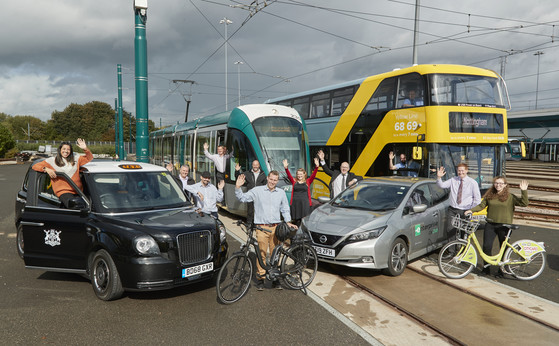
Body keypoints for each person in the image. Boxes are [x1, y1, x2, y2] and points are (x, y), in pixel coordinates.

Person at [235, 171, 296, 291]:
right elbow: (243, 198)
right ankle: (261, 278)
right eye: (271, 179)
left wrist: (288, 221)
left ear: (277, 181)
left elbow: (285, 208)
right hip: (261, 228)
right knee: (261, 254)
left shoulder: (281, 193)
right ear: (267, 178)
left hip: (276, 228)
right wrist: (237, 187)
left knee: (275, 254)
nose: (272, 182)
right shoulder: (258, 191)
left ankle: (275, 277)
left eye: (275, 180)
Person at [465, 177, 529, 276]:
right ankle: (486, 268)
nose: (498, 185)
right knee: (486, 246)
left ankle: (502, 269)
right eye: (496, 183)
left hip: (504, 226)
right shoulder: (490, 195)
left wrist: (523, 191)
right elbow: (481, 205)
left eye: (500, 183)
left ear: (505, 185)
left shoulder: (510, 197)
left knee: (503, 248)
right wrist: (471, 210)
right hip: (490, 224)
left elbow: (524, 203)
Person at [32, 138, 93, 208]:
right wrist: (46, 169)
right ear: (60, 150)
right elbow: (35, 166)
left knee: (89, 207)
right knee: (76, 207)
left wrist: (85, 148)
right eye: (64, 149)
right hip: (63, 192)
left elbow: (89, 158)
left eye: (68, 149)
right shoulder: (51, 161)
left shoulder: (76, 159)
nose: (66, 151)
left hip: (78, 191)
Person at [436, 163, 482, 240]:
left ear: (466, 171)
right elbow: (442, 185)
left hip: (465, 211)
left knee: (464, 232)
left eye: (462, 171)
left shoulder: (473, 183)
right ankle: (452, 251)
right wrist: (439, 177)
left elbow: (477, 199)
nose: (460, 172)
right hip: (453, 210)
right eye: (459, 171)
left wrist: (471, 209)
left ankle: (463, 250)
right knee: (450, 230)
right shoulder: (453, 180)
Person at [283, 157, 320, 226]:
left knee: (304, 220)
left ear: (304, 174)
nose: (299, 175)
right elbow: (289, 175)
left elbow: (313, 175)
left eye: (301, 174)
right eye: (298, 174)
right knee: (296, 220)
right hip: (295, 203)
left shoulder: (308, 181)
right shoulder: (294, 181)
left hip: (305, 203)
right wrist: (286, 168)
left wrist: (316, 167)